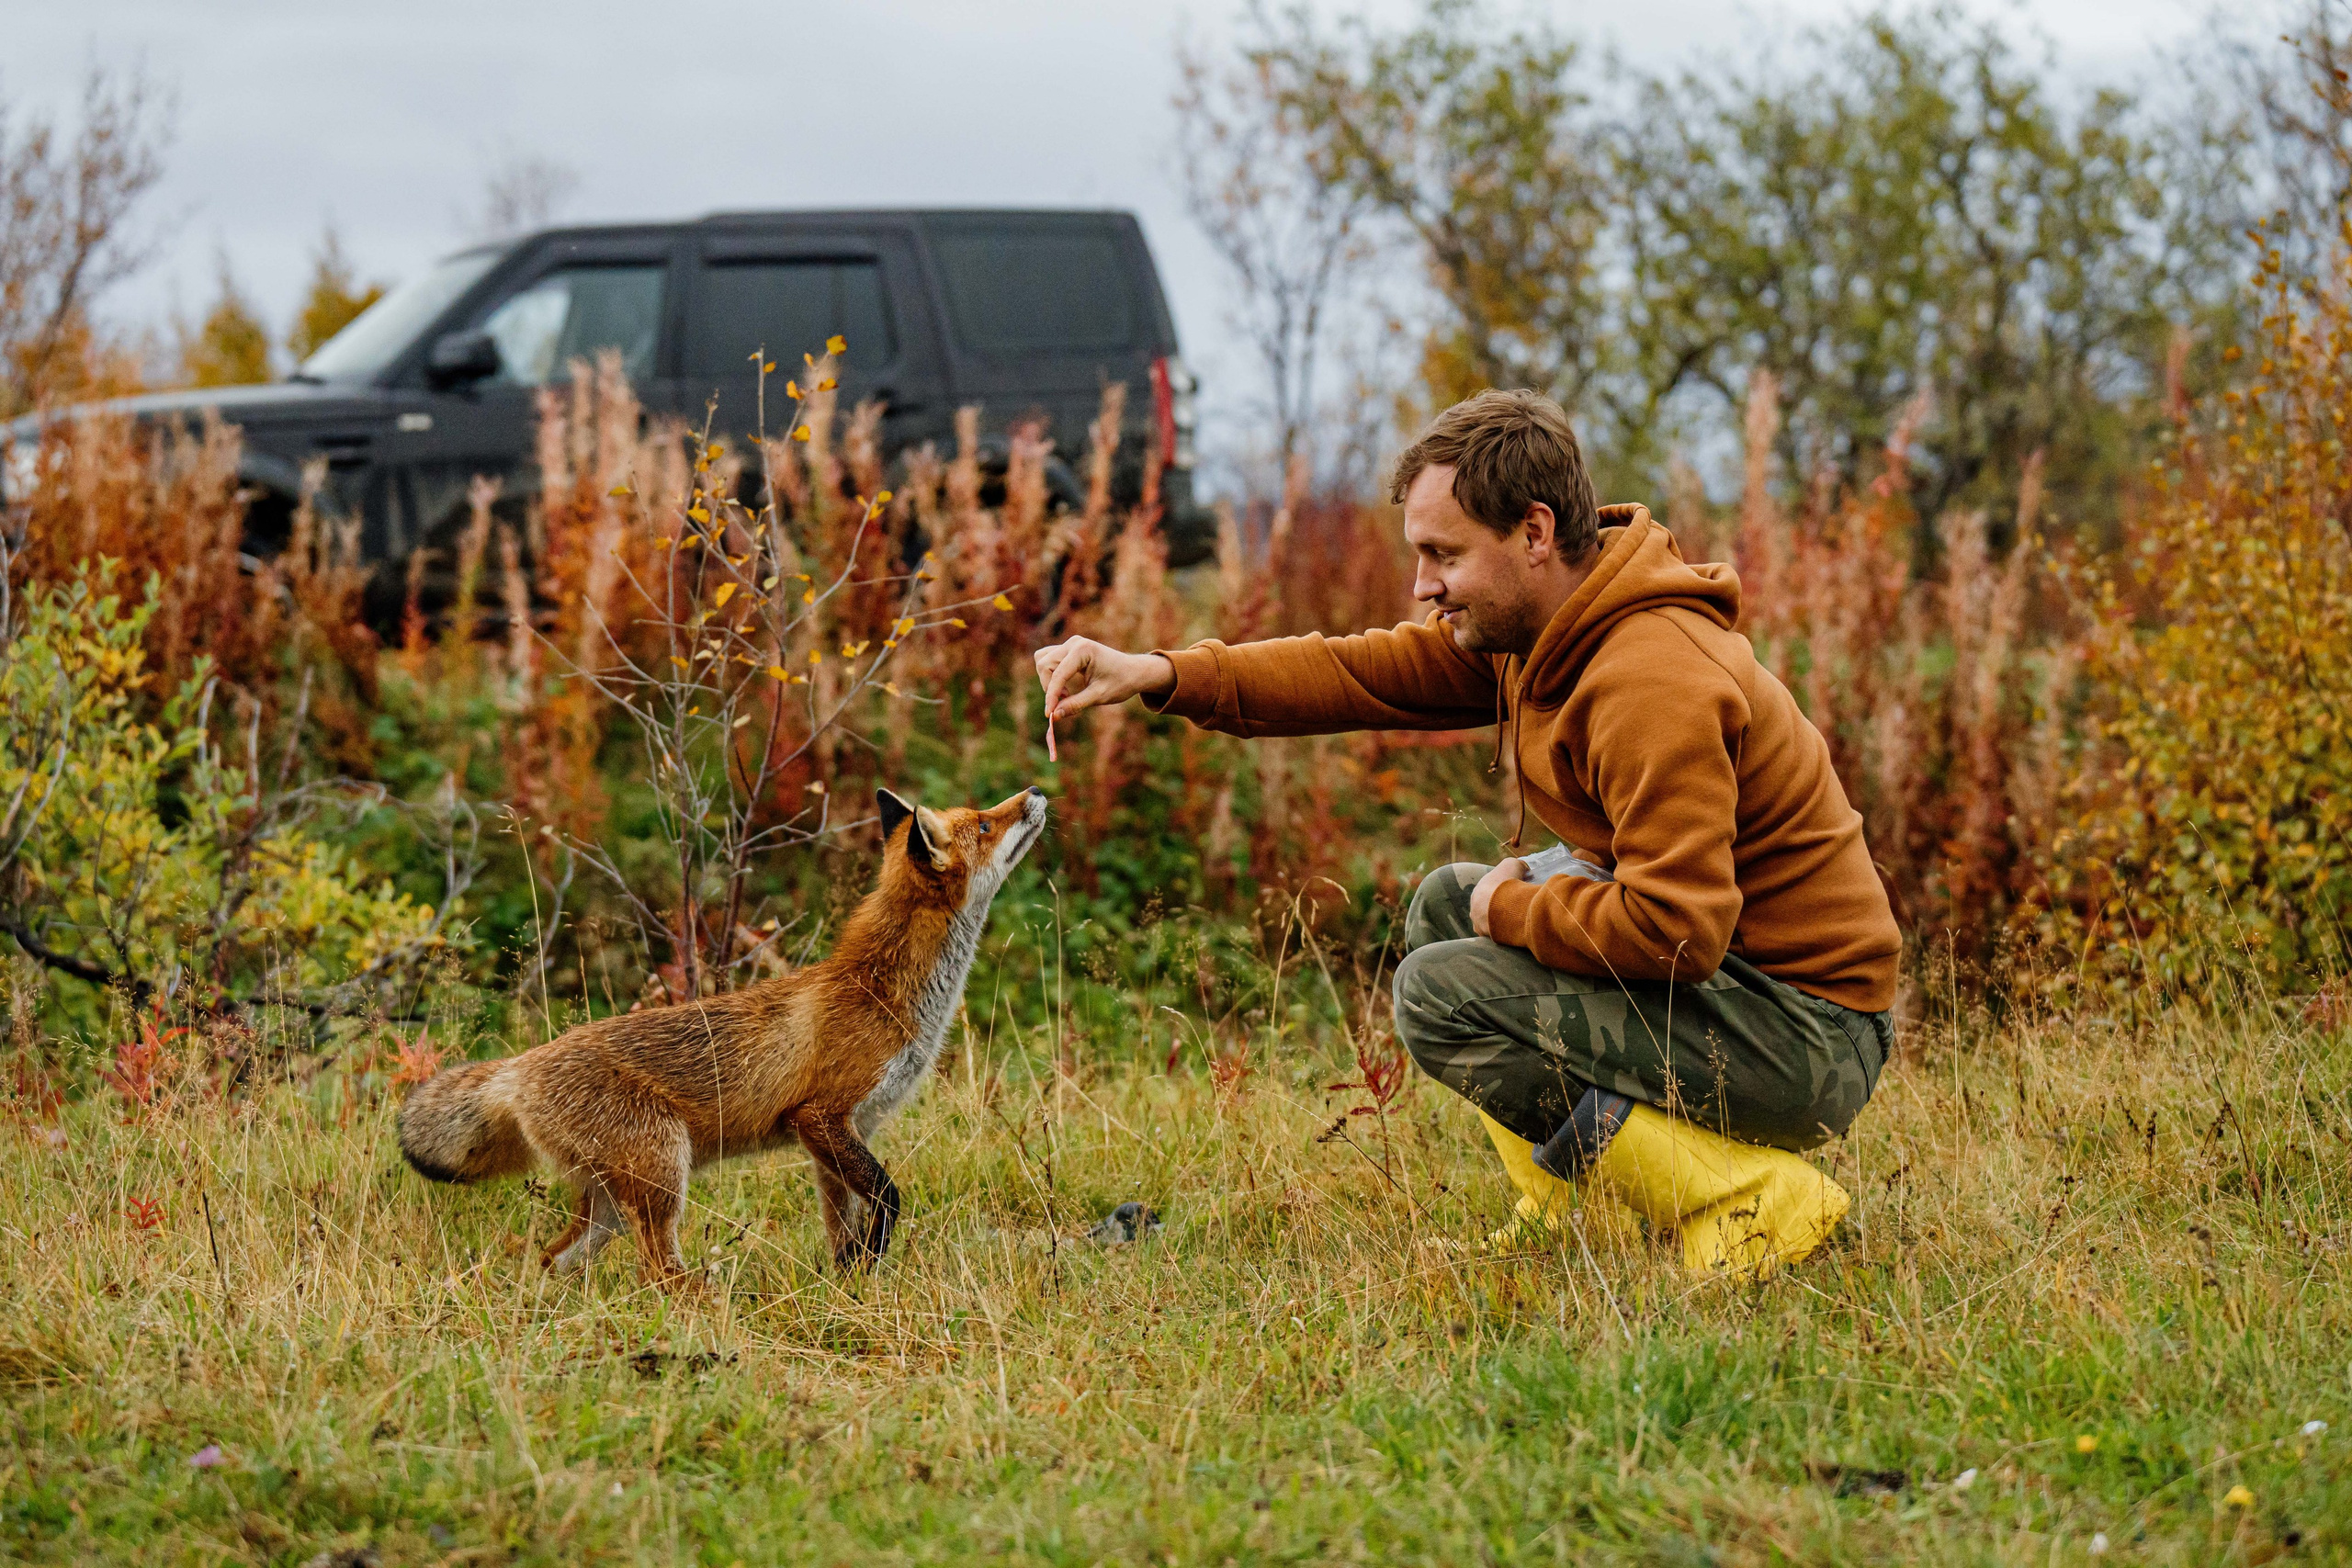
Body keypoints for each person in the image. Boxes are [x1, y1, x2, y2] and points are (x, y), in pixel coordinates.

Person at [1033, 389, 1900, 1279]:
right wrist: (1157, 673)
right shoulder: (1549, 627)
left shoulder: (1650, 679)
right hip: (1743, 992)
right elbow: (1358, 672)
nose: (1422, 585)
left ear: (1533, 533)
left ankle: (1748, 1195)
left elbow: (1678, 930)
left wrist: (1515, 910)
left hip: (1809, 1037)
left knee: (1440, 993)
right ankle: (1576, 1203)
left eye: (1443, 554)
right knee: (1447, 908)